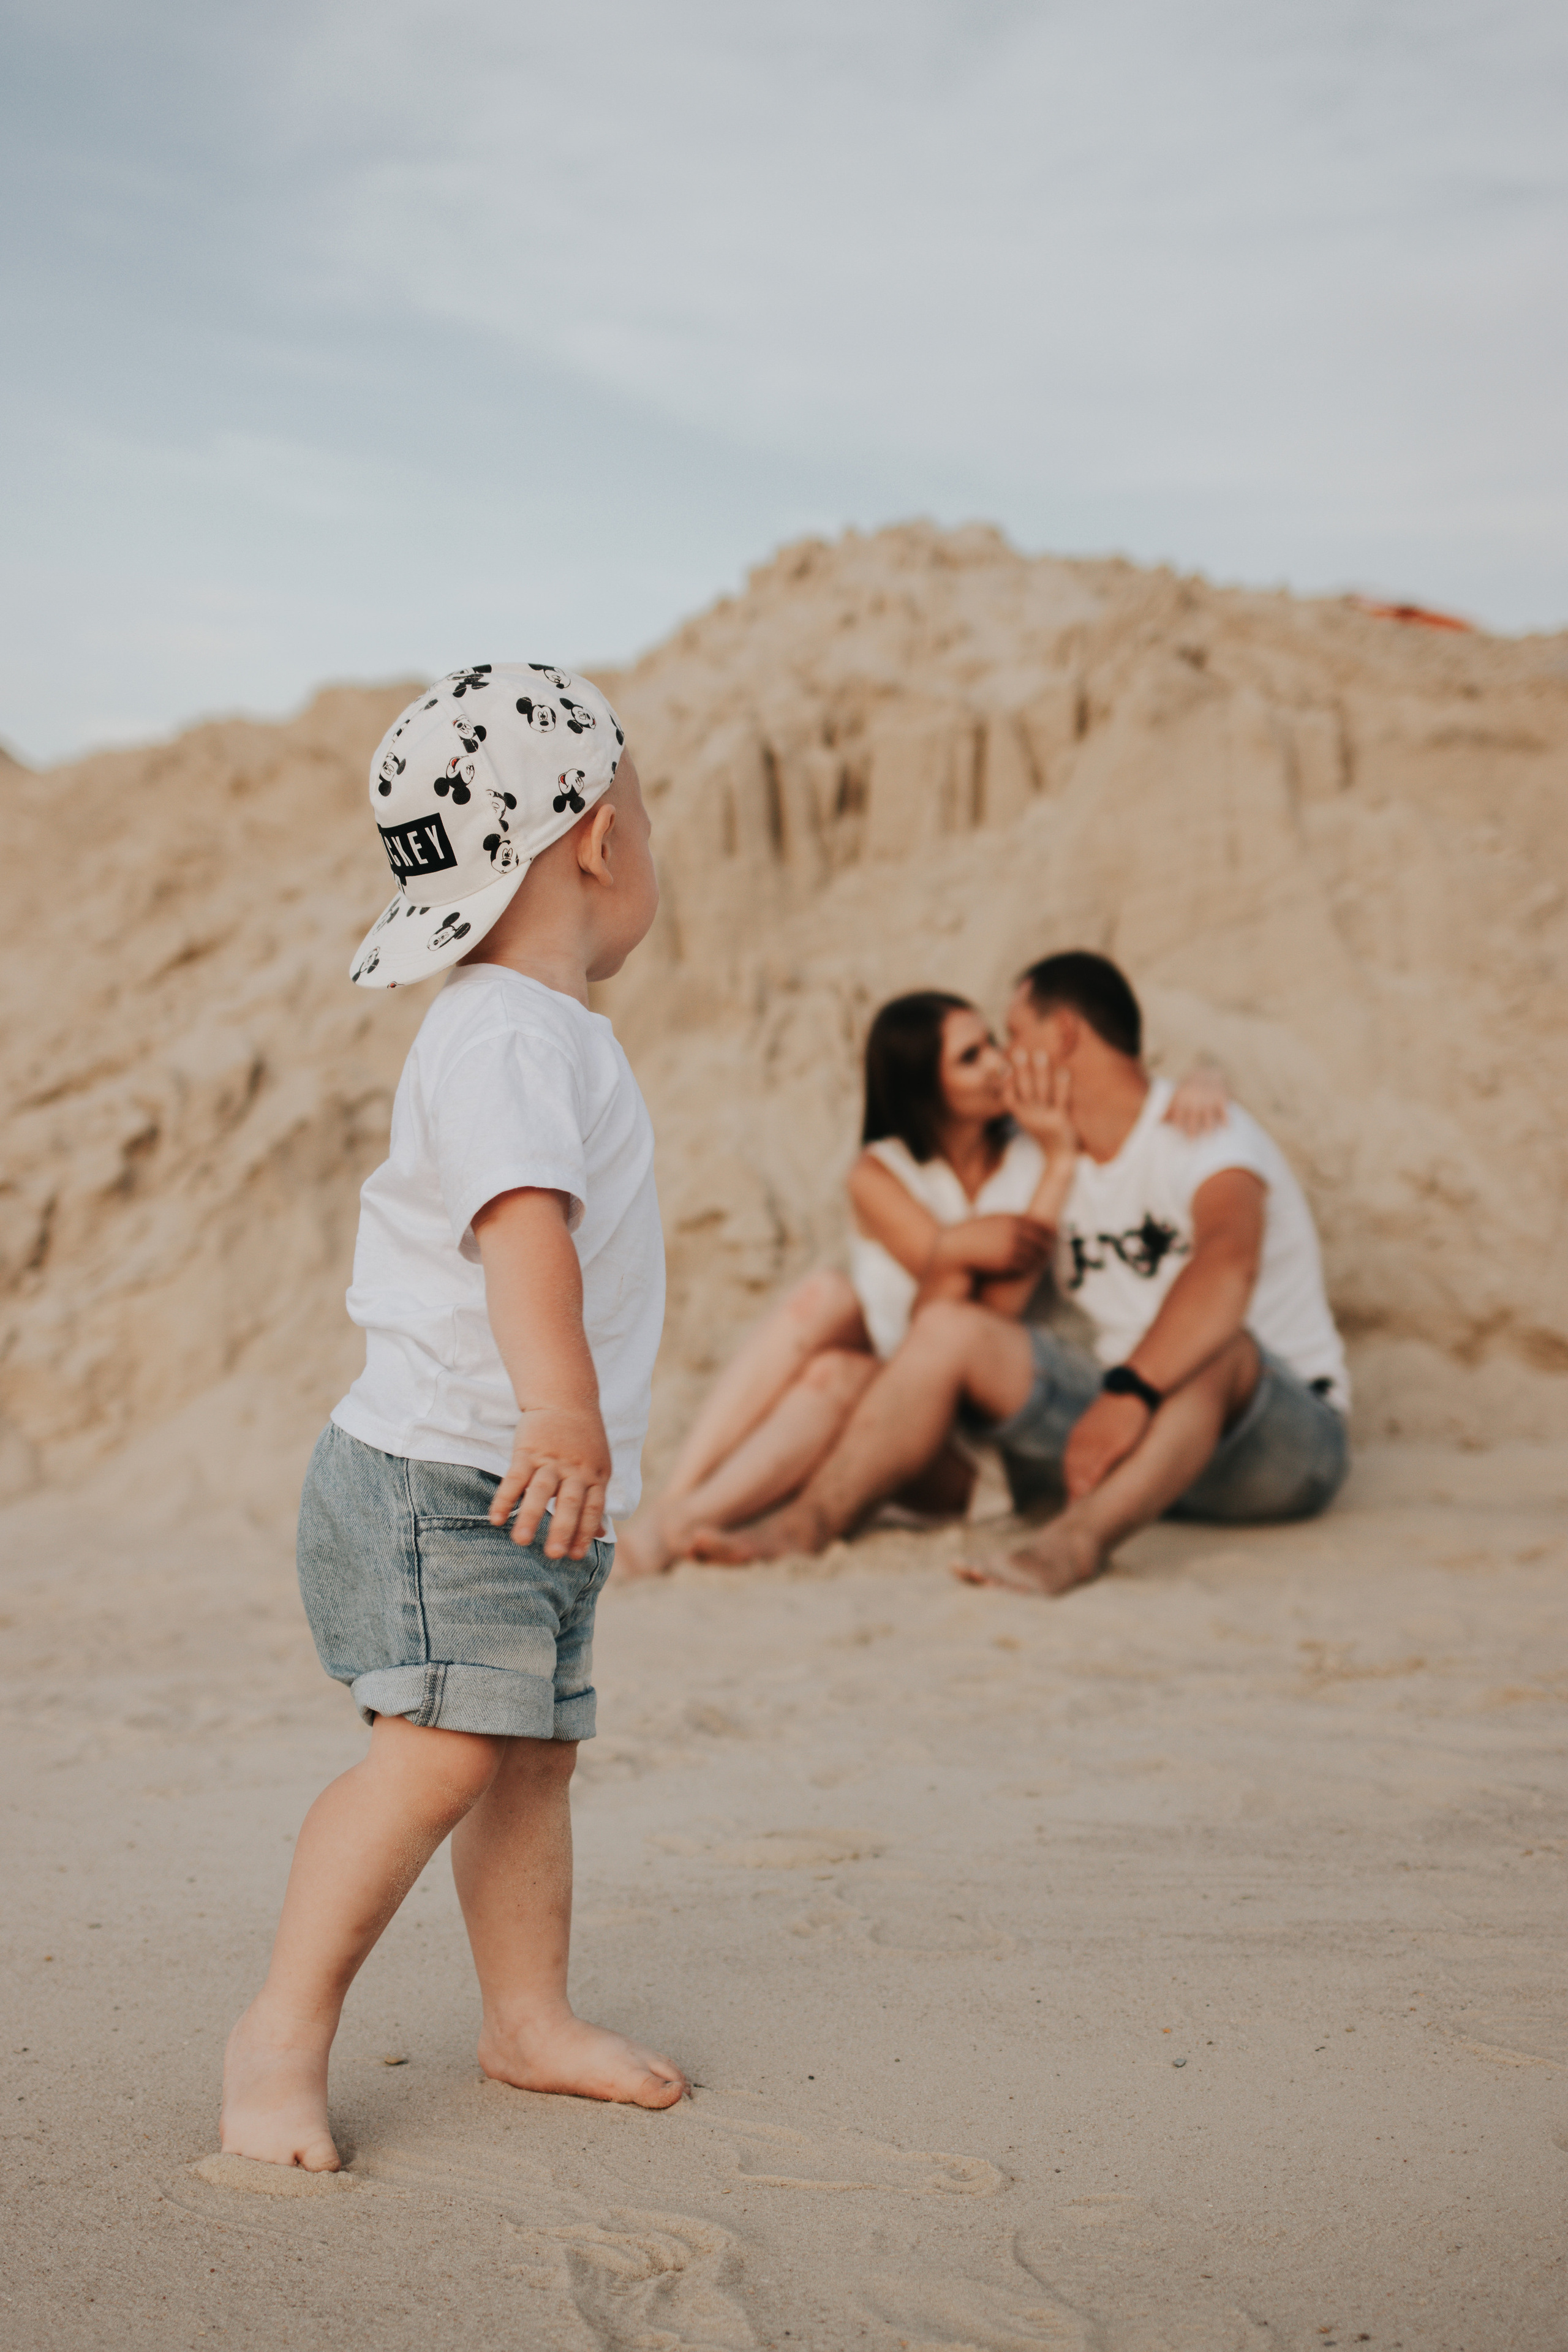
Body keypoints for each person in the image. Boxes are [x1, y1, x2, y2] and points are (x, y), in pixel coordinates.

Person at [220, 665, 686, 2174]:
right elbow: (518, 1225)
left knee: (526, 1752)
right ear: (598, 839)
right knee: (434, 1755)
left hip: (518, 1481)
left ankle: (524, 2016)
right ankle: (278, 2038)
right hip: (447, 1480)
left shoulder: (536, 1028)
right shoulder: (502, 1033)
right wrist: (564, 1404)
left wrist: (560, 1431)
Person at [690, 951, 1348, 1594]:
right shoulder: (1039, 1155)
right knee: (952, 1327)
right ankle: (808, 1523)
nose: (1003, 1058)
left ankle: (1071, 1546)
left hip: (1277, 1441)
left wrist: (1129, 1394)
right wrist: (1054, 1162)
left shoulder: (1205, 1130)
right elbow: (976, 1321)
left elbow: (1227, 1266)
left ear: (1061, 1035)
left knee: (1217, 1346)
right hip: (1126, 1440)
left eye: (1010, 1036)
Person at [617, 992, 1224, 1577]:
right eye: (971, 1056)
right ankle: (676, 1506)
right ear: (924, 1085)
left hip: (958, 1433)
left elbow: (983, 1313)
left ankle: (678, 1521)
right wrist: (959, 1246)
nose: (998, 1061)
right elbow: (937, 1299)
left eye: (992, 1042)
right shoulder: (882, 1171)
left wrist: (1204, 1078)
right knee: (826, 1298)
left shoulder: (1035, 1152)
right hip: (890, 1381)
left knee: (840, 1373)